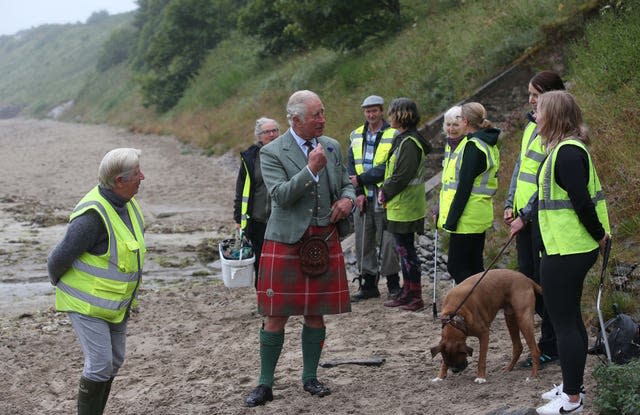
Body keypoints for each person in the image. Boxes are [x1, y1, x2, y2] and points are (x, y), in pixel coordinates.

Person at [245, 90, 355, 407]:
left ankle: (310, 377)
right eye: (316, 115)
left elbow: (346, 183)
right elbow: (280, 196)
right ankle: (265, 384)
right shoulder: (271, 152)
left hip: (323, 237)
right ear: (295, 120)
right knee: (275, 315)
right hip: (286, 239)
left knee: (315, 314)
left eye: (323, 112)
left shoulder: (332, 145)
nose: (322, 119)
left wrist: (347, 200)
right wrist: (311, 170)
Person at [509, 91, 610, 415]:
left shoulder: (567, 153)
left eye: (539, 111)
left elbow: (581, 202)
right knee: (570, 322)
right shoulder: (560, 150)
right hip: (563, 247)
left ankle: (572, 400)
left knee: (564, 323)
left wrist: (600, 236)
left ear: (553, 116)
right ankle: (572, 386)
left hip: (570, 249)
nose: (534, 117)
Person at [47, 148, 146, 415]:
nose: (143, 177)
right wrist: (64, 288)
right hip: (86, 304)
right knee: (100, 364)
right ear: (119, 181)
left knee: (113, 362)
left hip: (116, 303)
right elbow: (56, 259)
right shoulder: (92, 217)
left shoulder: (127, 202)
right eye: (137, 174)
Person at [504, 71, 566, 367]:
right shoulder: (533, 125)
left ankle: (552, 344)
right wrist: (509, 204)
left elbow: (545, 183)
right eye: (529, 94)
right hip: (523, 219)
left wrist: (526, 215)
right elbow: (520, 167)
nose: (530, 100)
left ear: (552, 96)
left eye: (536, 94)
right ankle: (552, 337)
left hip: (540, 220)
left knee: (544, 283)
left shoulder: (557, 132)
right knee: (530, 280)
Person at [437, 102, 500, 284]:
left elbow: (464, 188)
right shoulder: (487, 143)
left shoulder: (473, 146)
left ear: (465, 121)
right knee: (474, 266)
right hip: (478, 212)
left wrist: (451, 220)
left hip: (467, 216)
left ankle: (473, 308)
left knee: (457, 266)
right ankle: (480, 308)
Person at [378, 97, 431, 312]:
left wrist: (385, 191)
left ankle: (414, 294)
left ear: (400, 115)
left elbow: (402, 175)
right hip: (401, 206)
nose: (388, 117)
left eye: (391, 113)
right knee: (404, 250)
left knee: (407, 251)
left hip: (405, 207)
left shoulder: (409, 143)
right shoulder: (404, 139)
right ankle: (407, 291)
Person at [347, 95, 401, 301]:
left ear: (381, 111)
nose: (371, 114)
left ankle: (393, 284)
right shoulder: (355, 135)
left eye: (375, 110)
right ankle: (368, 284)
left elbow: (389, 166)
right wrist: (358, 192)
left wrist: (360, 180)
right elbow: (350, 164)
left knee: (388, 242)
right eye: (367, 111)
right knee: (363, 242)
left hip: (383, 197)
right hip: (363, 199)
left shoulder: (393, 134)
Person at [233, 117, 280, 288]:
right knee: (260, 262)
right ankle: (264, 298)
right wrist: (238, 219)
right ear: (259, 136)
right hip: (258, 220)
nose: (272, 134)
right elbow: (241, 190)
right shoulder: (250, 158)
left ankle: (281, 298)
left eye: (275, 130)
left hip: (282, 219)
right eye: (267, 132)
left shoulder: (286, 152)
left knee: (281, 262)